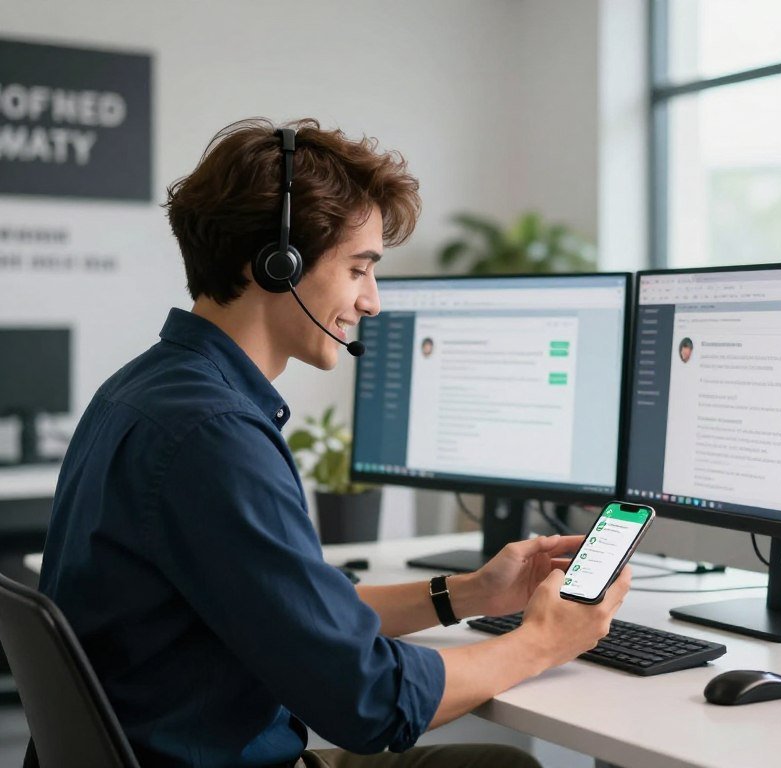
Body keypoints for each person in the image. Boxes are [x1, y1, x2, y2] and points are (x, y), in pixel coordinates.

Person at [38, 118, 631, 768]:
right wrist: (543, 641)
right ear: (276, 263)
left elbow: (300, 612)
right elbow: (370, 702)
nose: (372, 301)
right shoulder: (215, 435)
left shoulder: (149, 389)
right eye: (359, 268)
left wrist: (468, 595)